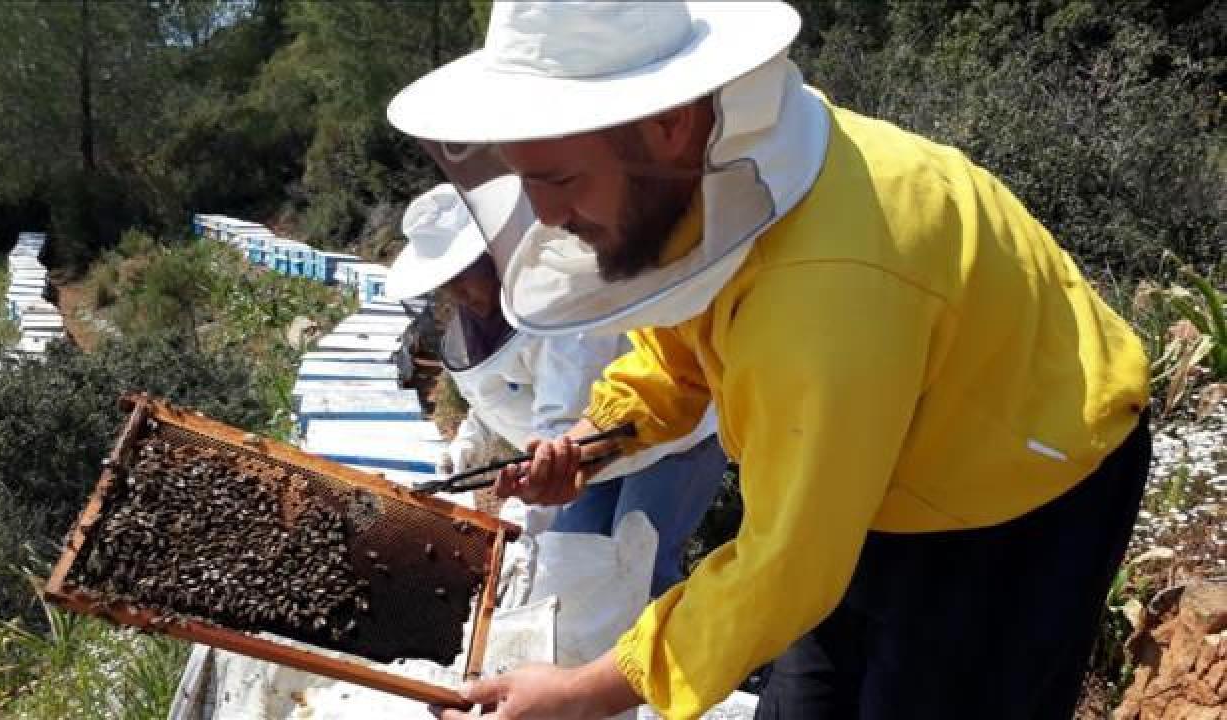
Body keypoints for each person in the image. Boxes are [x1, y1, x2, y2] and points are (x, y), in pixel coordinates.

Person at [388, 2, 1153, 719]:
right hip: (878, 455)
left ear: (665, 123)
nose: (546, 214)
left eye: (558, 179)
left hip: (1023, 485)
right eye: (527, 179)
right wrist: (596, 435)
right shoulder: (721, 173)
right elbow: (679, 341)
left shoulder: (824, 292)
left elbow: (786, 569)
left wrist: (585, 691)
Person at [387, 181, 726, 598]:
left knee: (640, 574)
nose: (457, 293)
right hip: (594, 453)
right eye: (446, 283)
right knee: (572, 572)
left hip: (670, 436)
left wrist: (522, 516)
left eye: (463, 277)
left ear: (494, 258)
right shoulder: (479, 322)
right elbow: (494, 393)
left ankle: (697, 659)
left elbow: (561, 420)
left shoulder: (561, 306)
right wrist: (466, 448)